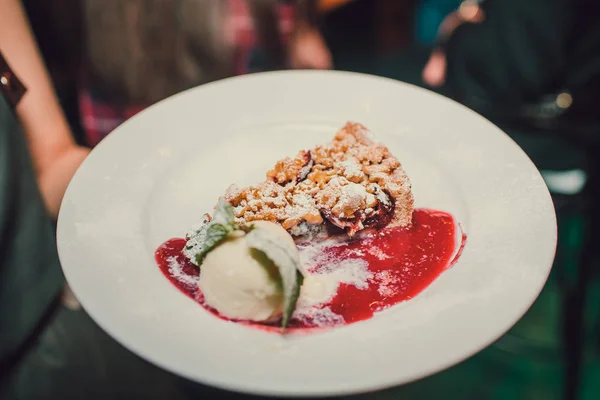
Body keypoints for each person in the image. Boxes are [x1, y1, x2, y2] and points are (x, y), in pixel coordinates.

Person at [80, 0, 332, 147]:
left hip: (267, 125)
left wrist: (302, 31)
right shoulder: (121, 31)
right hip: (166, 141)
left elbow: (303, 47)